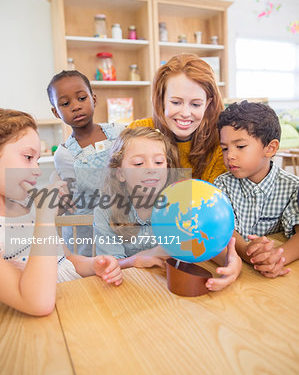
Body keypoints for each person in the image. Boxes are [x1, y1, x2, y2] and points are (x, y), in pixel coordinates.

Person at [0, 109, 122, 315]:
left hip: (74, 300)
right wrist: (46, 216)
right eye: (28, 157)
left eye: (37, 160)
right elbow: (37, 303)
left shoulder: (27, 207)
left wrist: (94, 265)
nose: (36, 170)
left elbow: (66, 260)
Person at [94, 127, 241, 291]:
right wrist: (136, 260)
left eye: (158, 162)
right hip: (128, 291)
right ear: (120, 173)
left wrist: (233, 264)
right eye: (138, 163)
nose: (151, 169)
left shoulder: (182, 204)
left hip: (169, 292)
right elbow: (108, 266)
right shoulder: (106, 211)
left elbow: (215, 251)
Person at [214, 101, 299, 278]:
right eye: (224, 148)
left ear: (270, 148)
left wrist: (277, 258)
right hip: (238, 268)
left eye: (240, 146)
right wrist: (246, 251)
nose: (230, 155)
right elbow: (225, 228)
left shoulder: (292, 187)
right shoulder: (221, 185)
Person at [47, 70, 124, 255]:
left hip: (123, 222)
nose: (75, 106)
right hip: (88, 232)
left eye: (81, 98)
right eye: (65, 103)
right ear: (56, 112)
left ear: (94, 99)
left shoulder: (120, 133)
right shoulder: (64, 154)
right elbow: (73, 193)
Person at [129, 53, 226, 182]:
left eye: (196, 104)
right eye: (176, 102)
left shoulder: (220, 142)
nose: (185, 113)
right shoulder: (138, 131)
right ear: (161, 99)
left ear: (207, 104)